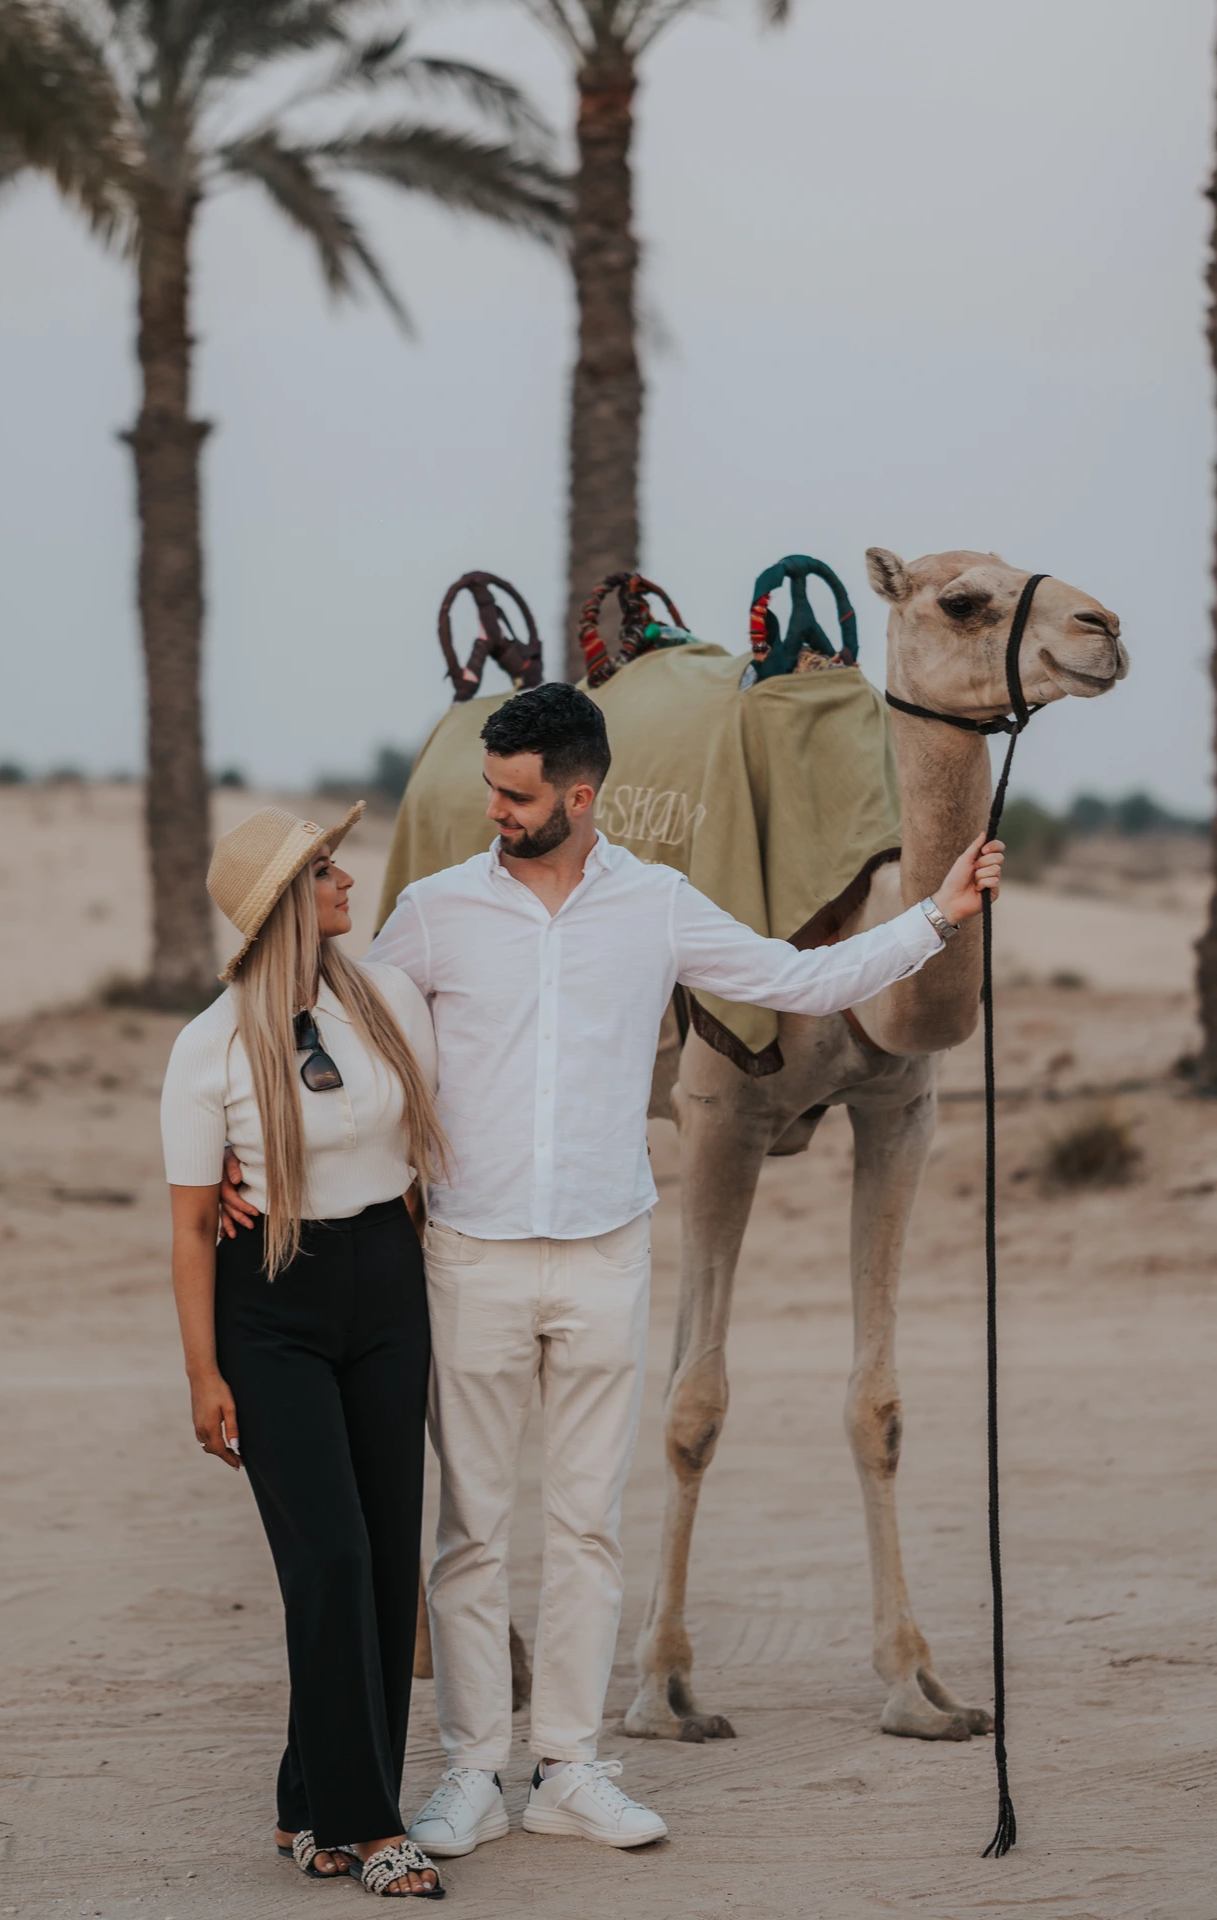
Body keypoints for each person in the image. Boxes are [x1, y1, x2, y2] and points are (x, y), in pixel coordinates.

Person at [221, 684, 1005, 1856]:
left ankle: (571, 1768)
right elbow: (337, 1027)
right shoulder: (434, 912)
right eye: (490, 786)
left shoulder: (658, 905)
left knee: (588, 1527)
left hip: (607, 1255)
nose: (494, 809)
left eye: (516, 793)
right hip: (469, 1255)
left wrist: (936, 920)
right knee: (471, 1532)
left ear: (578, 796)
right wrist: (242, 1149)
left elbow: (796, 980)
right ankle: (472, 1772)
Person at [161, 802, 449, 1899]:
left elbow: (419, 1166)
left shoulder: (387, 1007)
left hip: (386, 1284)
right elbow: (192, 1223)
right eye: (324, 869)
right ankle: (371, 1823)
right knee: (326, 1558)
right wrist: (203, 1374)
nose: (345, 878)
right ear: (287, 902)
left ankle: (307, 1804)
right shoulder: (208, 1048)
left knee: (383, 1563)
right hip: (271, 1304)